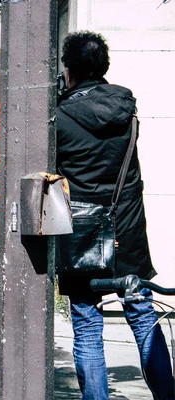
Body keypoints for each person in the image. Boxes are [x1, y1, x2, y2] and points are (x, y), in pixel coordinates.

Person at [56, 31, 175, 400]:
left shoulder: (58, 118)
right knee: (142, 314)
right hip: (128, 228)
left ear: (69, 68)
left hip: (83, 232)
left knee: (88, 324)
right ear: (104, 66)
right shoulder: (126, 107)